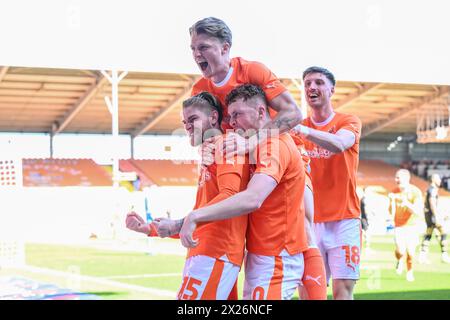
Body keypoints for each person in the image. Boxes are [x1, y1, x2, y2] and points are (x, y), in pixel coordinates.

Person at [190, 16, 326, 300]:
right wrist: (204, 146)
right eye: (193, 48)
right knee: (235, 233)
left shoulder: (252, 71)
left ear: (225, 47)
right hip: (241, 162)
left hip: (275, 153)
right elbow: (202, 135)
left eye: (204, 46)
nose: (197, 54)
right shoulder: (199, 90)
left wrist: (250, 141)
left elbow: (292, 113)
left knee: (305, 223)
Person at [179, 84, 308, 300]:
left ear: (260, 111)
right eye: (230, 116)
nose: (232, 122)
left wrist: (194, 216)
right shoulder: (251, 145)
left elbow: (253, 198)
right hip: (259, 253)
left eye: (237, 114)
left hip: (277, 255)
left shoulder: (274, 145)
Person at [126, 92, 250, 300]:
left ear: (213, 117)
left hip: (215, 252)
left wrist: (177, 224)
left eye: (193, 119)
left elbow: (230, 197)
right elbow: (203, 213)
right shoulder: (209, 153)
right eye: (185, 122)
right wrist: (152, 229)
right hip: (209, 252)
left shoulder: (226, 144)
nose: (187, 126)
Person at [292, 66, 362, 300]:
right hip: (309, 223)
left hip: (345, 220)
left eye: (319, 82)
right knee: (310, 292)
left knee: (343, 291)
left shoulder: (348, 121)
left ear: (332, 89)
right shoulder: (297, 129)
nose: (312, 87)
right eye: (308, 83)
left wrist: (302, 131)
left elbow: (340, 144)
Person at [388, 169, 423, 282]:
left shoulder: (415, 192)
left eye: (399, 177)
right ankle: (399, 260)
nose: (396, 180)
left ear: (407, 178)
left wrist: (406, 203)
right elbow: (390, 210)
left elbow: (417, 211)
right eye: (396, 177)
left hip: (412, 226)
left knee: (411, 252)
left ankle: (410, 271)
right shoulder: (394, 192)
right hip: (398, 226)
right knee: (400, 250)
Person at [419, 173, 450, 264]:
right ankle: (444, 255)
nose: (440, 180)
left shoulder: (430, 189)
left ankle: (422, 255)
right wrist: (437, 216)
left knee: (429, 234)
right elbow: (432, 203)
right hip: (432, 216)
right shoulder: (433, 190)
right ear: (433, 180)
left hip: (428, 215)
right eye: (438, 179)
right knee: (443, 233)